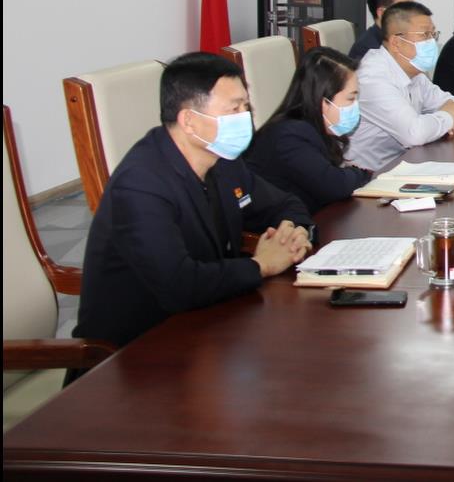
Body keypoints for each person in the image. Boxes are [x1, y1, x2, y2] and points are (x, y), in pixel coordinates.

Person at [72, 53, 313, 352]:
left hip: (206, 327)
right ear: (189, 120)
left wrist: (294, 232)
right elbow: (179, 286)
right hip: (132, 352)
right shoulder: (140, 184)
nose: (246, 118)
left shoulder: (222, 160)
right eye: (234, 109)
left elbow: (285, 203)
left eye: (246, 107)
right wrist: (261, 264)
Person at [246, 47, 374, 214]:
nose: (355, 106)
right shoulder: (289, 135)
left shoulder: (314, 128)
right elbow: (335, 186)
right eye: (350, 98)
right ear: (323, 100)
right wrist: (361, 173)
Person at [347, 1, 454, 171]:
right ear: (396, 42)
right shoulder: (373, 77)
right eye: (425, 35)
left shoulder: (413, 71)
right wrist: (448, 117)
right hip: (367, 175)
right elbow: (415, 133)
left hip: (403, 163)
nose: (432, 42)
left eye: (433, 34)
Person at [348, 0, 415, 61]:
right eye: (405, 9)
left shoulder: (398, 38)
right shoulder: (369, 51)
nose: (414, 14)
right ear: (382, 13)